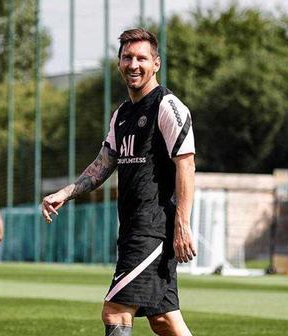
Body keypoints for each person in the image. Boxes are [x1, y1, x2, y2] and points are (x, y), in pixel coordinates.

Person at [42, 28, 196, 336]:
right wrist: (67, 192)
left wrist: (182, 224)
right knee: (164, 320)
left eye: (142, 58)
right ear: (118, 63)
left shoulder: (167, 106)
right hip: (131, 228)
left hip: (153, 230)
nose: (134, 65)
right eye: (127, 57)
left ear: (156, 64)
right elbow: (104, 163)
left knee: (115, 311)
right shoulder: (122, 114)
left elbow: (186, 163)